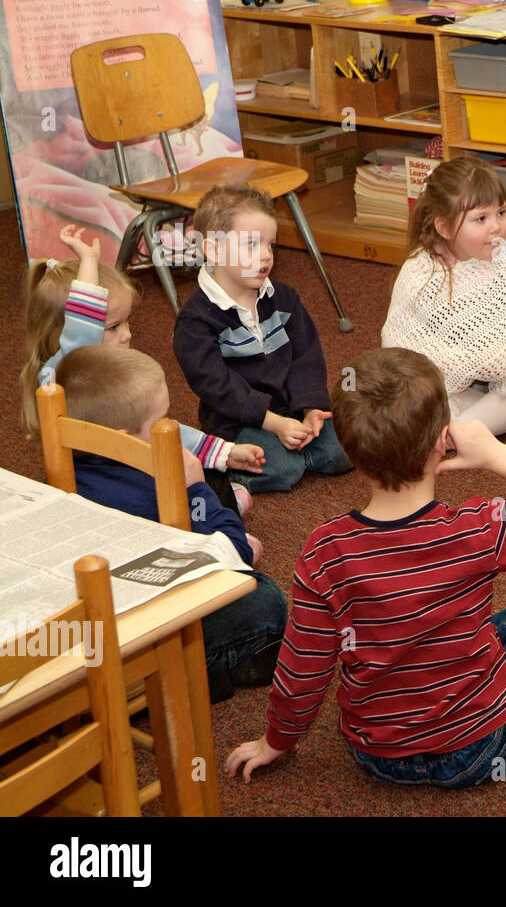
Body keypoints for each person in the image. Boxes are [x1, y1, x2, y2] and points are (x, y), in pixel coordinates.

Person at [224, 347, 506, 788]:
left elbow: (303, 666)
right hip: (478, 747)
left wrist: (278, 741)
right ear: (444, 440)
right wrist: (497, 455)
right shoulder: (477, 530)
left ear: (348, 449)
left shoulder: (324, 549)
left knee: (503, 623)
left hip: (375, 752)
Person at [55, 345, 285, 703]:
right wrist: (195, 489)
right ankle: (188, 679)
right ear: (123, 437)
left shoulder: (64, 460)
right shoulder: (153, 492)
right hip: (139, 631)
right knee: (264, 599)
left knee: (218, 483)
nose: (172, 429)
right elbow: (233, 555)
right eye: (162, 422)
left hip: (92, 613)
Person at [20, 223, 264, 515]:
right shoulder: (66, 370)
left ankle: (223, 504)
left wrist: (221, 451)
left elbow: (159, 430)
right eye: (112, 327)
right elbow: (83, 330)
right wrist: (88, 263)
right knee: (198, 484)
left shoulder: (105, 370)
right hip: (113, 485)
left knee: (202, 468)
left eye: (126, 322)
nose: (127, 335)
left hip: (120, 473)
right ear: (67, 330)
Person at [381, 157, 506, 434]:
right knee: (415, 395)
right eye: (480, 218)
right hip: (451, 386)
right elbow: (406, 353)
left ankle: (455, 434)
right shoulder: (420, 272)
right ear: (444, 227)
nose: (496, 226)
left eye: (500, 213)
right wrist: (477, 360)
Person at [173, 184, 351, 493]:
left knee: (348, 447)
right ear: (214, 249)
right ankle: (221, 463)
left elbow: (306, 356)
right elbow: (217, 386)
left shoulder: (284, 297)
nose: (266, 256)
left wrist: (310, 408)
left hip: (290, 408)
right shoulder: (195, 319)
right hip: (237, 421)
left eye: (271, 245)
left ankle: (301, 450)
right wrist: (273, 423)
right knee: (283, 470)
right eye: (252, 245)